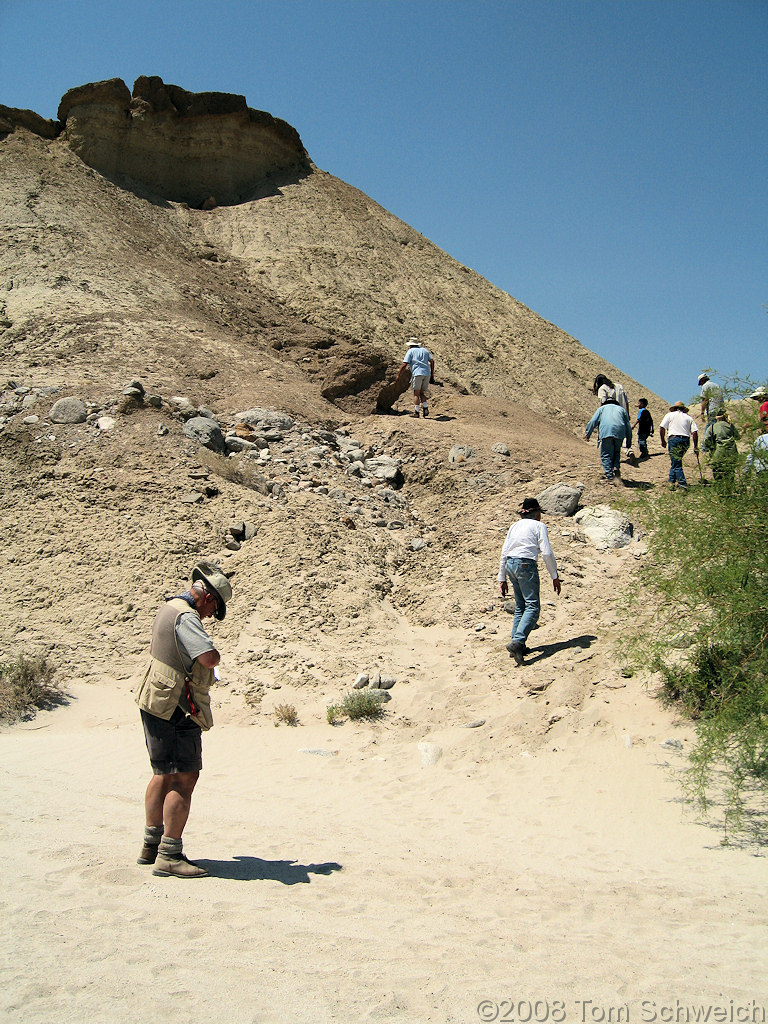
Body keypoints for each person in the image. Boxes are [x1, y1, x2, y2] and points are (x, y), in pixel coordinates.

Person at [134, 562, 232, 878]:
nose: (210, 614)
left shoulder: (170, 606)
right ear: (207, 597)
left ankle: (151, 846)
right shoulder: (187, 617)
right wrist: (215, 656)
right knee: (183, 777)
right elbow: (207, 658)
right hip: (177, 707)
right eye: (214, 607)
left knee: (162, 774)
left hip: (155, 701)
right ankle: (169, 855)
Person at [498, 498, 561, 666]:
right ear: (538, 514)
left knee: (520, 606)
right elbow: (546, 553)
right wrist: (554, 575)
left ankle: (517, 643)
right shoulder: (539, 526)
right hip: (526, 564)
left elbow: (504, 551)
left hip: (511, 564)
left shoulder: (514, 526)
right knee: (533, 606)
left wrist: (502, 577)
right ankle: (518, 642)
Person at [584, 399, 633, 484]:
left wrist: (588, 433)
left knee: (606, 454)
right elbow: (628, 425)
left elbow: (593, 421)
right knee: (617, 452)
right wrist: (629, 439)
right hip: (619, 432)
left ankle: (610, 476)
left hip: (607, 432)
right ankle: (616, 467)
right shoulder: (622, 410)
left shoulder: (602, 408)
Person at [659, 401, 699, 491]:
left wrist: (663, 440)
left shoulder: (670, 415)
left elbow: (662, 428)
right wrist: (695, 446)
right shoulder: (688, 417)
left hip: (674, 439)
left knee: (676, 463)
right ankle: (671, 482)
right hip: (685, 440)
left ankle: (682, 484)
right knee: (676, 461)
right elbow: (695, 432)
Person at [702, 408, 740, 482]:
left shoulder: (712, 427)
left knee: (718, 475)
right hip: (731, 454)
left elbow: (706, 440)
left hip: (718, 454)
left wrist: (709, 448)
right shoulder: (730, 426)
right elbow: (737, 437)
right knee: (730, 475)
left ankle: (721, 491)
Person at [400, 337, 434, 418]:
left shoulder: (411, 351)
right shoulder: (424, 350)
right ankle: (425, 408)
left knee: (416, 393)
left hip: (417, 373)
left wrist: (399, 374)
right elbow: (432, 361)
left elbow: (405, 364)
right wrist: (432, 374)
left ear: (410, 345)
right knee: (422, 393)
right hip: (426, 373)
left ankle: (417, 412)